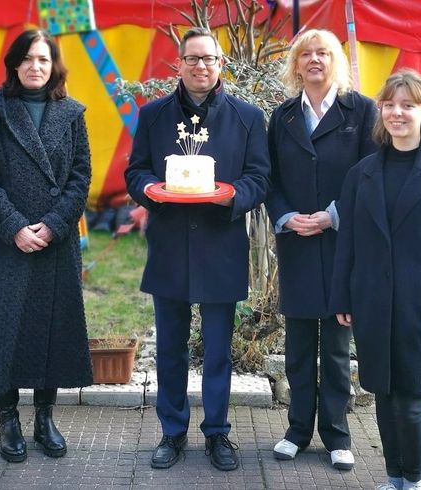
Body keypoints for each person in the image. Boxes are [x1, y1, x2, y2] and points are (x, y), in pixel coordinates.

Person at [124, 27, 269, 472]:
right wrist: (149, 188)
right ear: (179, 64)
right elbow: (136, 172)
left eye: (208, 59)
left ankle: (218, 432)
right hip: (169, 245)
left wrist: (233, 195)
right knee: (170, 347)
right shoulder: (152, 117)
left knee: (219, 349)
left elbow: (260, 178)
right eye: (192, 59)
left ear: (220, 64)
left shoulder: (247, 118)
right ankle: (172, 431)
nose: (200, 66)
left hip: (220, 245)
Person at [330, 69, 421, 490]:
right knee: (382, 395)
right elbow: (349, 244)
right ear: (381, 110)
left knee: (410, 401)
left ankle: (412, 481)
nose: (398, 113)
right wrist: (343, 296)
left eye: (408, 105)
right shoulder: (361, 173)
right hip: (372, 303)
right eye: (390, 104)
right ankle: (394, 477)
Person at [0, 29, 93, 464]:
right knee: (5, 329)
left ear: (54, 66)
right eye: (28, 59)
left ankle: (45, 417)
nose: (36, 66)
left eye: (44, 59)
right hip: (5, 239)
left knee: (48, 327)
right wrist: (16, 226)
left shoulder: (72, 113)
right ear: (14, 64)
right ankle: (8, 418)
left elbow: (80, 176)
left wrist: (53, 225)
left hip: (55, 240)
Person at [264, 28, 377, 470]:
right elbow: (269, 178)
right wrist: (287, 216)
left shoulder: (362, 111)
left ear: (337, 61)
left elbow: (370, 176)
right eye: (305, 54)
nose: (314, 60)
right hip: (295, 241)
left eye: (323, 53)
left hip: (341, 243)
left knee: (334, 345)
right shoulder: (285, 116)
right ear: (295, 64)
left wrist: (332, 215)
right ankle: (296, 429)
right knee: (296, 343)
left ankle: (336, 434)